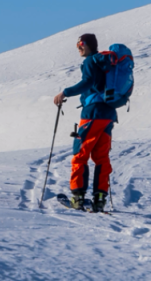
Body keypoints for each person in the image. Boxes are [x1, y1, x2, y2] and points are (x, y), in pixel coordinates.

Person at [53, 33, 116, 212]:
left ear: (89, 45)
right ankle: (99, 200)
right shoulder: (104, 63)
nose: (78, 47)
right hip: (108, 115)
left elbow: (87, 82)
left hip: (93, 114)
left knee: (80, 154)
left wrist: (64, 92)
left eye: (81, 43)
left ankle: (78, 199)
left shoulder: (90, 61)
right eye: (77, 44)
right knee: (101, 157)